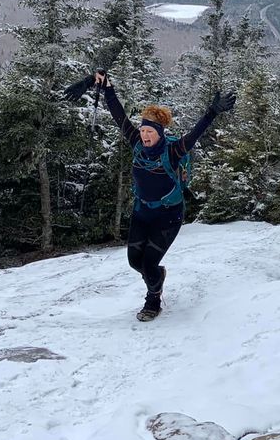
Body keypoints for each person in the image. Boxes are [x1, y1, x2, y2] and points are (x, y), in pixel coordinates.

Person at [90, 72, 236, 321]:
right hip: (142, 211)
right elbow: (119, 116)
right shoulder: (136, 142)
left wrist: (212, 112)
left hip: (168, 214)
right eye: (143, 130)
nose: (145, 135)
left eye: (150, 131)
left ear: (159, 132)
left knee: (148, 264)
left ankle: (153, 301)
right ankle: (158, 276)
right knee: (135, 261)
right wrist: (107, 88)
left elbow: (195, 135)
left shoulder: (174, 151)